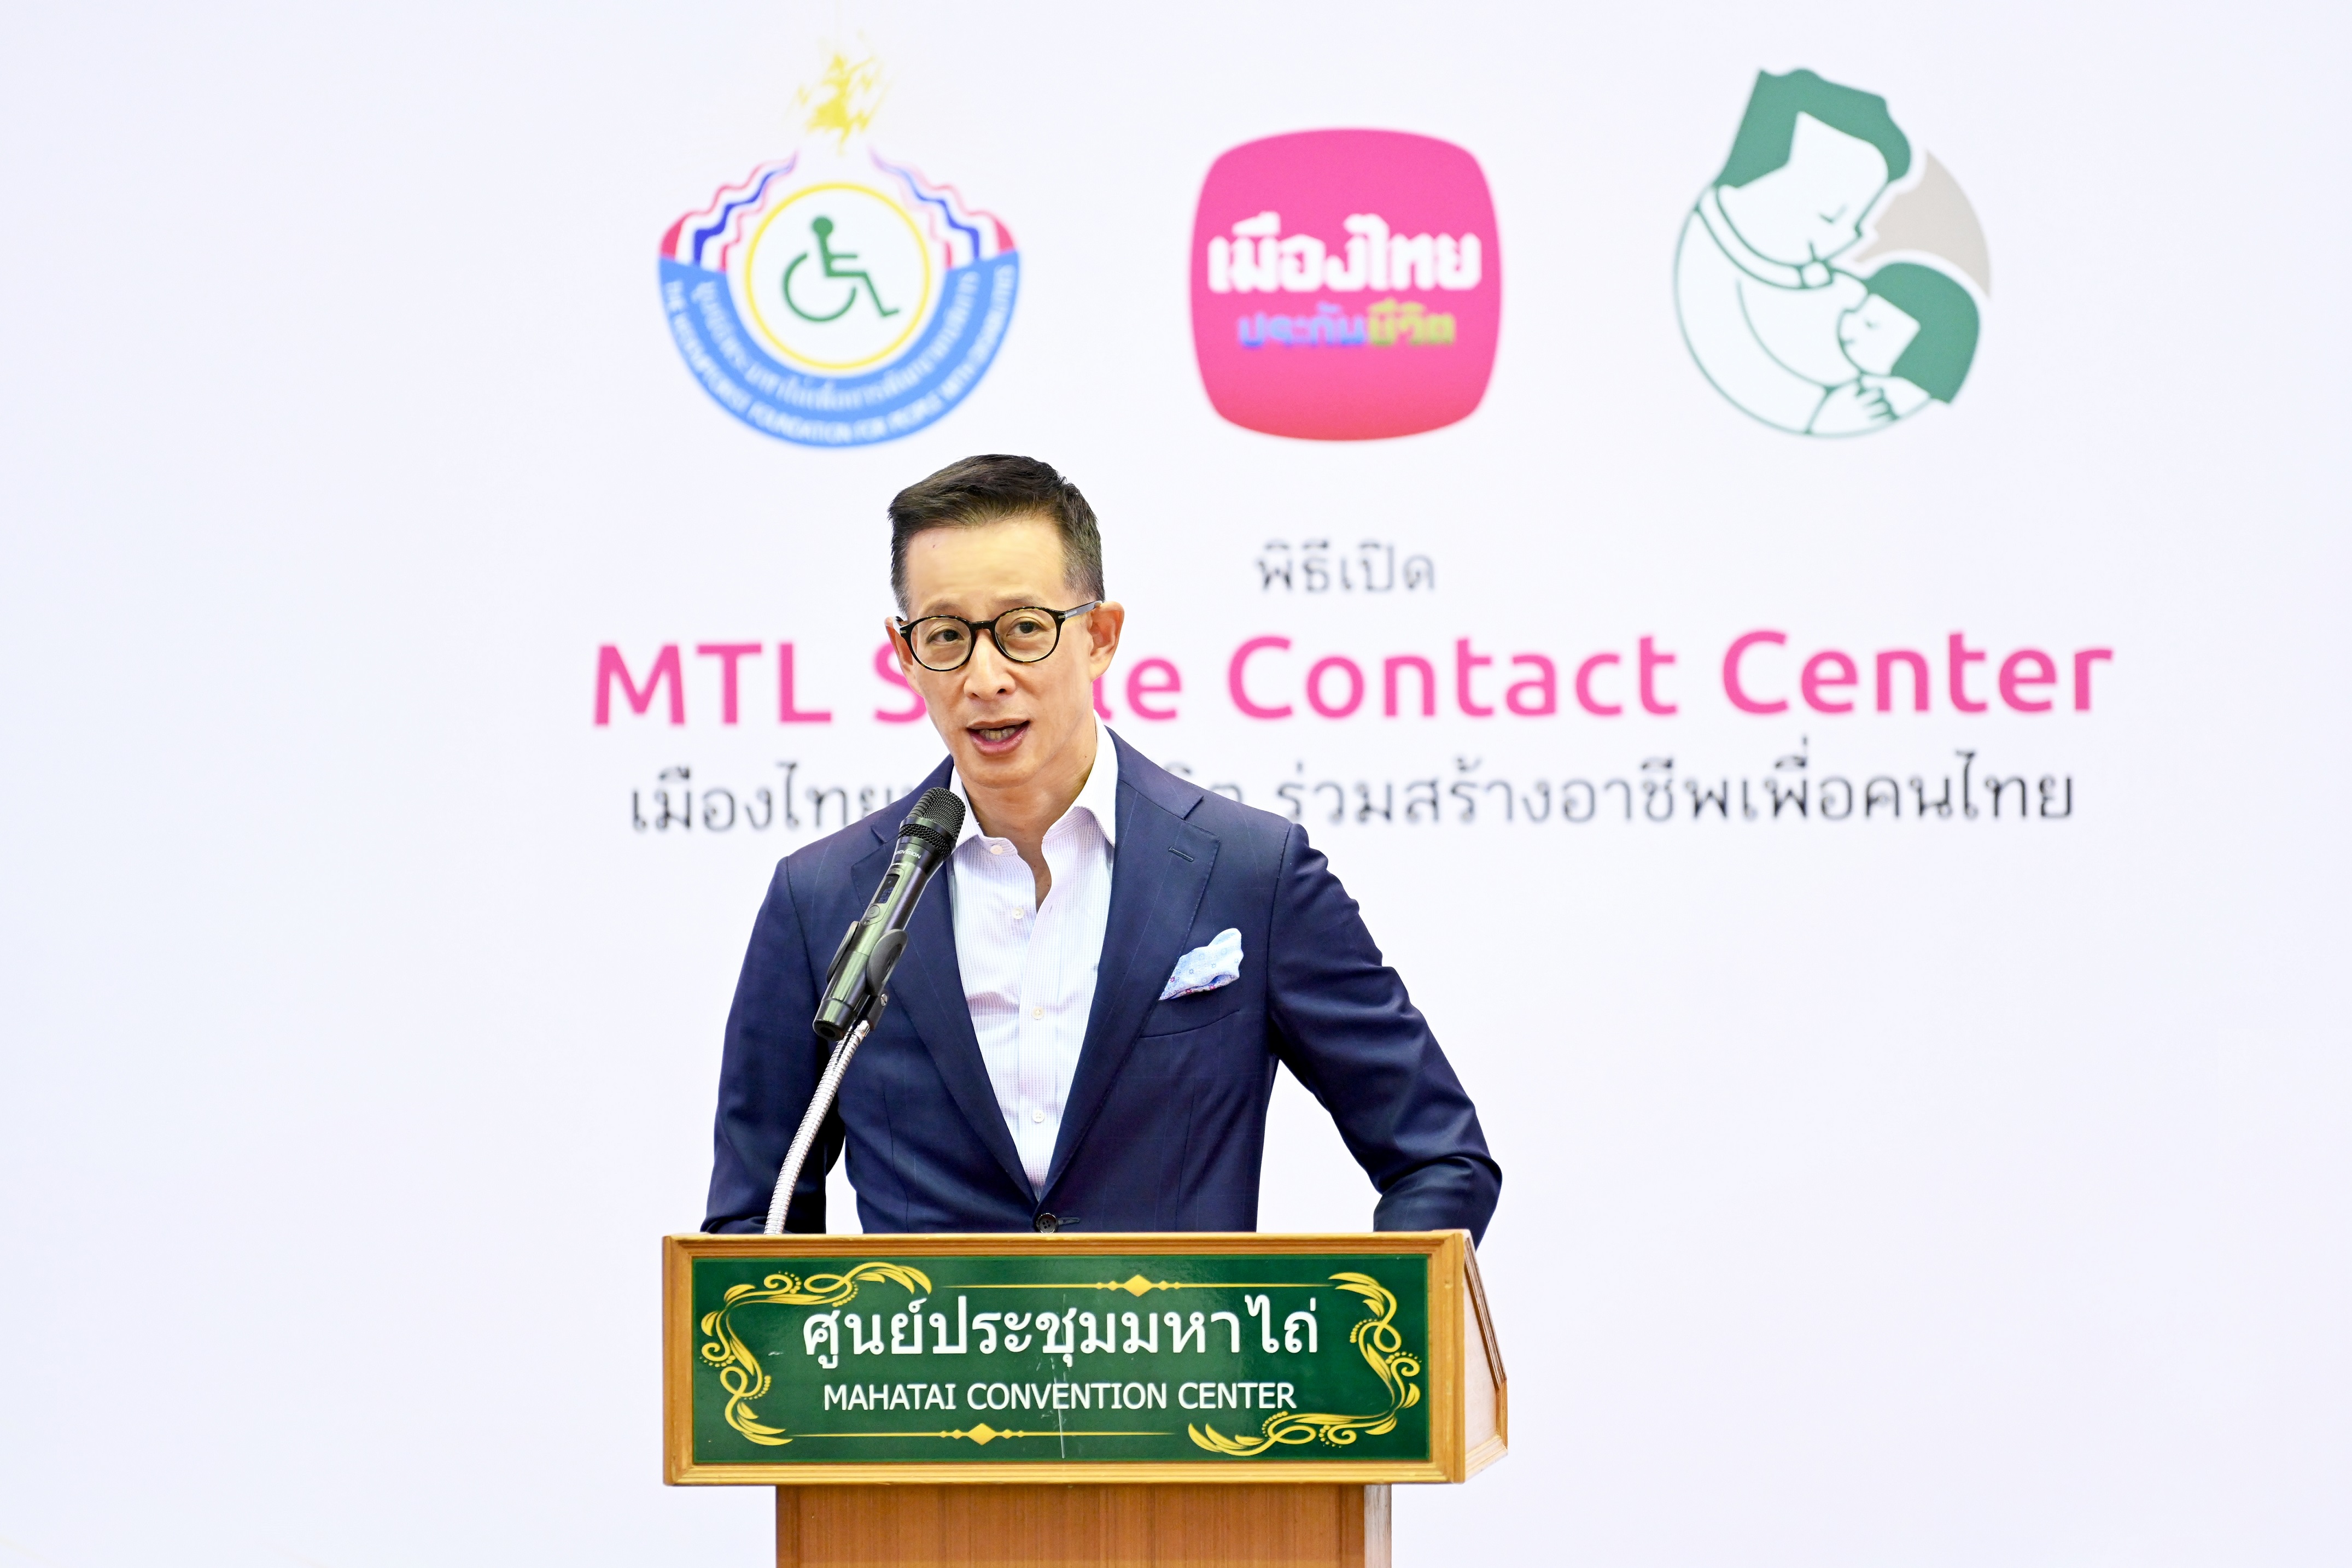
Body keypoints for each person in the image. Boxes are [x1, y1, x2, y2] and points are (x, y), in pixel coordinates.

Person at [703, 455, 1500, 1241]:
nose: (985, 678)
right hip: (926, 1334)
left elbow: (1439, 1160)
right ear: (906, 653)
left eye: (1023, 629)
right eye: (946, 636)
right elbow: (753, 1224)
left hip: (1185, 1334)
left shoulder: (1249, 872)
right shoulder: (825, 898)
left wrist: (1363, 1316)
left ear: (1099, 637)